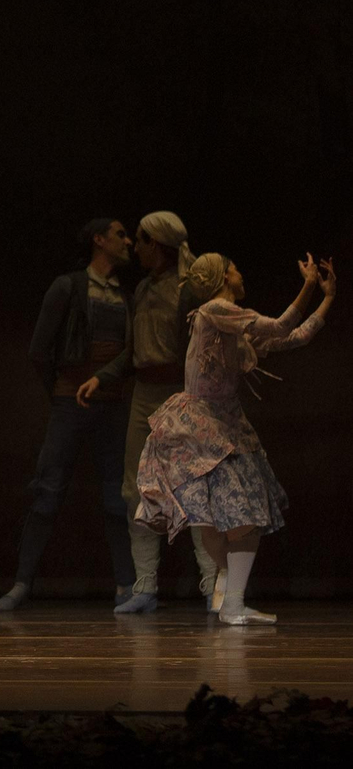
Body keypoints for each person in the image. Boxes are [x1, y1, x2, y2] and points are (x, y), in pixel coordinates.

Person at [136, 252, 334, 625]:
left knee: (224, 521)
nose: (242, 275)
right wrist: (309, 285)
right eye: (236, 269)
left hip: (225, 425)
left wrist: (327, 298)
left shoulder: (234, 327)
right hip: (203, 427)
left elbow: (292, 336)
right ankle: (232, 600)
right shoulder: (215, 309)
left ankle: (230, 597)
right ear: (225, 276)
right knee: (230, 520)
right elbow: (280, 323)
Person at [75, 213, 219, 613]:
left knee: (196, 489)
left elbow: (207, 345)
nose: (134, 246)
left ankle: (214, 587)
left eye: (140, 239)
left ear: (157, 243)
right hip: (144, 395)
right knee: (136, 489)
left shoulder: (189, 289)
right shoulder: (141, 288)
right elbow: (133, 349)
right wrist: (102, 377)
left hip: (182, 394)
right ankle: (145, 587)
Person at [0, 219, 136, 611]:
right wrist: (62, 392)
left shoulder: (126, 296)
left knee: (118, 497)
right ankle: (22, 583)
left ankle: (127, 585)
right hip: (70, 403)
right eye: (120, 234)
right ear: (98, 240)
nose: (127, 241)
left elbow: (132, 351)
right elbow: (39, 350)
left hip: (112, 405)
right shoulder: (69, 286)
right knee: (47, 491)